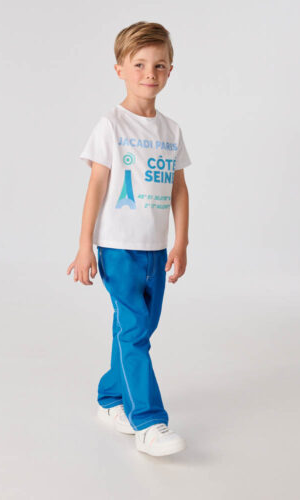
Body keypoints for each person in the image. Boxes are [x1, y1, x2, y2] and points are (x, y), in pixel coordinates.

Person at [67, 21, 191, 457]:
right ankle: (149, 423)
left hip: (155, 249)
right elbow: (97, 186)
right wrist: (85, 245)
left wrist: (181, 242)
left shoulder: (171, 130)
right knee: (134, 329)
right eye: (139, 64)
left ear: (170, 70)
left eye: (159, 65)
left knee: (137, 329)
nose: (149, 73)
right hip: (118, 247)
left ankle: (110, 397)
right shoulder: (111, 124)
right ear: (120, 69)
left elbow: (179, 189)